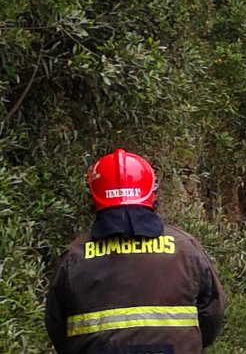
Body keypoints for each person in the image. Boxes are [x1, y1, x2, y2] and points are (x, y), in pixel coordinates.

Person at [44, 148, 225, 353]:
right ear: (152, 191)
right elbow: (211, 316)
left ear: (92, 195)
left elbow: (57, 326)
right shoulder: (185, 248)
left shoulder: (74, 257)